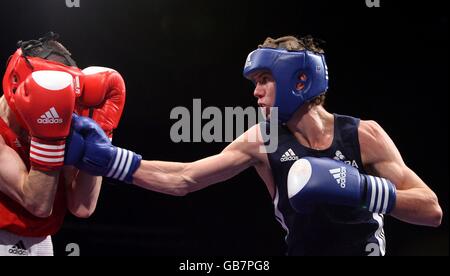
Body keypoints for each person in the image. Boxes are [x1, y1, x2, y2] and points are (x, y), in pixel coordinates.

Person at [66, 36, 443, 256]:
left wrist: (362, 189)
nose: (256, 92)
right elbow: (185, 178)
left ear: (297, 80)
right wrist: (113, 160)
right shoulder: (261, 140)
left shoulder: (364, 135)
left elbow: (431, 210)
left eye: (265, 79)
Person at [0, 32, 126, 256]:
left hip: (42, 243)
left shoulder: (61, 116)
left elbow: (83, 207)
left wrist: (102, 133)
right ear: (17, 85)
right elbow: (37, 204)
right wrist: (48, 138)